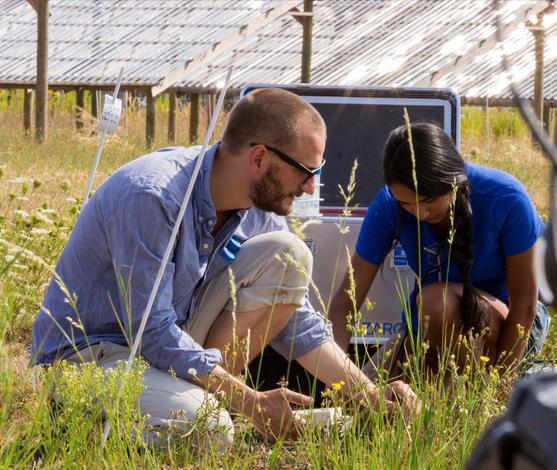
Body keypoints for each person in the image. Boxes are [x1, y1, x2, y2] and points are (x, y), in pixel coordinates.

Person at [31, 88, 416, 448]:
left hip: (160, 345)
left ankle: (199, 404)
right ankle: (79, 421)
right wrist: (250, 400)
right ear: (260, 158)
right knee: (210, 430)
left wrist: (370, 396)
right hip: (91, 357)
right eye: (305, 171)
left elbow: (300, 325)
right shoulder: (152, 197)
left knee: (290, 254)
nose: (311, 188)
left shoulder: (257, 210)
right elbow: (150, 331)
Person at [329, 122, 549, 378]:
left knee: (436, 303)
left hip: (510, 328)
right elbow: (346, 301)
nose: (420, 214)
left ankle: (472, 386)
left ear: (453, 182)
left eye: (428, 202)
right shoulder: (388, 205)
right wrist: (337, 379)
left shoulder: (506, 198)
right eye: (407, 205)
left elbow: (525, 305)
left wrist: (499, 386)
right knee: (363, 404)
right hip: (429, 329)